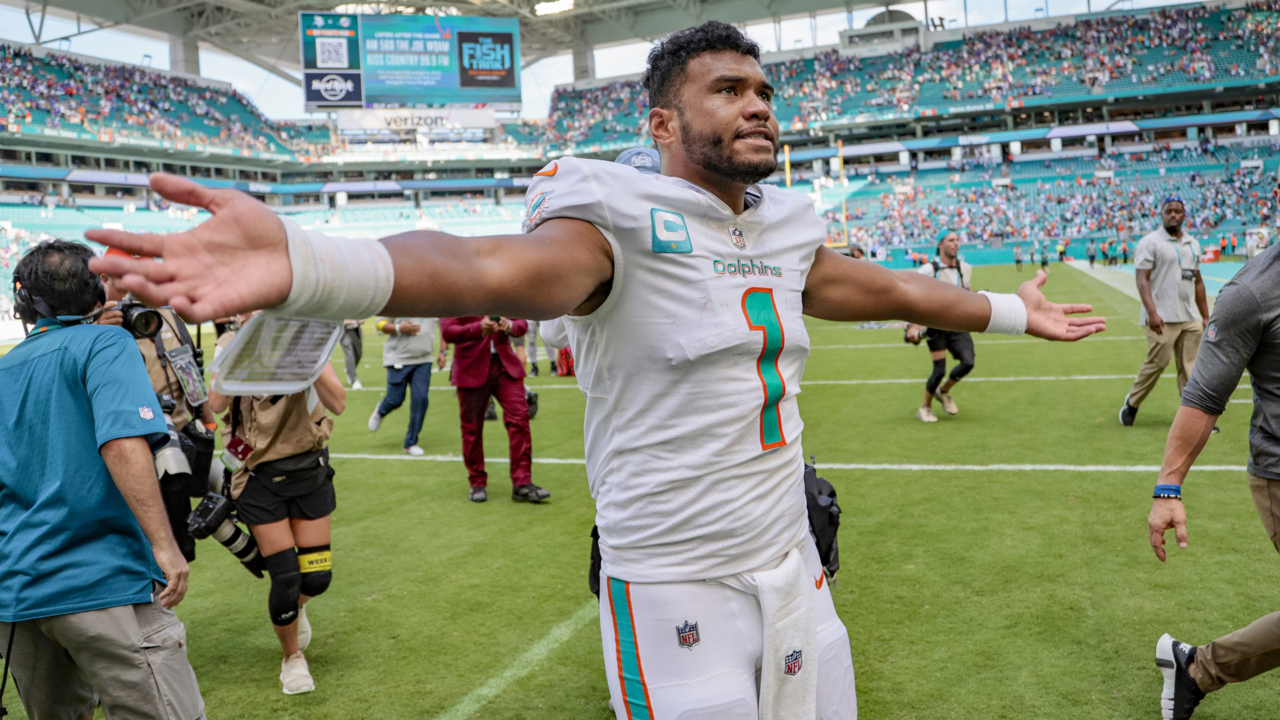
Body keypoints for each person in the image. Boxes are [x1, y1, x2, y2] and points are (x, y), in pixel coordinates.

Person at [89, 20, 1105, 718]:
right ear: (662, 125)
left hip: (792, 561)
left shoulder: (783, 228)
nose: (756, 106)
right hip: (672, 578)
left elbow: (879, 291)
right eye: (726, 90)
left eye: (761, 90)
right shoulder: (617, 219)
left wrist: (1010, 310)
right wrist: (312, 262)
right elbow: (491, 266)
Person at [0, 240, 203, 718]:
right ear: (97, 296)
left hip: (19, 593)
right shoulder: (107, 342)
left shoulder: (5, 368)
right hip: (101, 581)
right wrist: (165, 545)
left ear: (25, 302)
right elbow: (122, 442)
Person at [1146, 242, 1280, 720]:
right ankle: (1200, 669)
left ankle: (1195, 669)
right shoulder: (1252, 292)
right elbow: (1203, 396)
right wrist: (1168, 487)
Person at [208, 318, 346, 695]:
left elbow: (337, 402)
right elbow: (214, 405)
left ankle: (294, 608)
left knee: (315, 578)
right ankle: (292, 658)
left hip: (307, 469)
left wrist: (308, 357)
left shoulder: (307, 341)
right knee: (285, 579)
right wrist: (242, 350)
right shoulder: (231, 343)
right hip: (257, 476)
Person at [96, 248, 217, 563]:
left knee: (180, 542)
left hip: (176, 440)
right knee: (139, 542)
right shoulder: (93, 325)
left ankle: (167, 607)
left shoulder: (170, 317)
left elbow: (188, 370)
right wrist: (97, 332)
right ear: (105, 278)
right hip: (128, 446)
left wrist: (207, 418)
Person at [1120, 198, 1211, 427]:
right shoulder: (1150, 242)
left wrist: (1206, 315)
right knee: (1158, 362)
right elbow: (1142, 280)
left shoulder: (1193, 243)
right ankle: (1132, 403)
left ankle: (1194, 417)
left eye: (1178, 211)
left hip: (1189, 316)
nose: (1173, 215)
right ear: (1161, 214)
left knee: (1190, 367)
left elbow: (1198, 282)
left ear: (1184, 215)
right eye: (1169, 211)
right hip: (1161, 317)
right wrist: (1152, 312)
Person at [440, 315, 546, 504]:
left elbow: (521, 324)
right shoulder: (456, 290)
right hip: (470, 367)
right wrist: (478, 328)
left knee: (520, 419)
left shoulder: (500, 286)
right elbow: (448, 331)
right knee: (471, 428)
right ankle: (477, 482)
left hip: (505, 366)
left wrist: (509, 325)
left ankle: (522, 482)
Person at [906, 231, 977, 423]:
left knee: (968, 362)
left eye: (957, 240)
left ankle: (943, 391)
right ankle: (925, 408)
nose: (956, 244)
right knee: (939, 370)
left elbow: (966, 291)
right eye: (951, 240)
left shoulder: (966, 268)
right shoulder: (928, 270)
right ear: (940, 245)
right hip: (935, 326)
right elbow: (914, 298)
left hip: (958, 324)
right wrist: (912, 326)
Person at [367, 316, 441, 456]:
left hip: (424, 360)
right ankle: (381, 410)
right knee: (395, 399)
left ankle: (410, 442)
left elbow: (444, 323)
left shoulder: (433, 299)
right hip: (398, 358)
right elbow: (379, 324)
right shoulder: (398, 298)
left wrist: (442, 351)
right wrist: (398, 328)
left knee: (421, 399)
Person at [339, 318, 365, 389]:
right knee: (349, 353)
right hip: (344, 330)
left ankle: (349, 369)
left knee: (359, 354)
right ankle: (354, 380)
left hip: (355, 329)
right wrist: (344, 321)